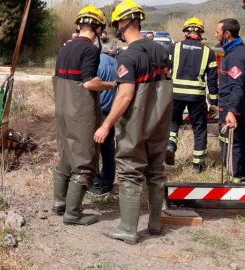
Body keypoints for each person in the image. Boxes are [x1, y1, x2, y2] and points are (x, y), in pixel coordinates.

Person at [94, 0, 172, 244]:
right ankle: (156, 224)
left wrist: (106, 125)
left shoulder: (128, 56)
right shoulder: (162, 51)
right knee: (156, 171)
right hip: (160, 122)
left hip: (135, 124)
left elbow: (126, 95)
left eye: (117, 22)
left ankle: (128, 229)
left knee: (130, 171)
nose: (116, 27)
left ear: (124, 22)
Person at [52, 5, 116, 226]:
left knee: (66, 156)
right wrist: (111, 85)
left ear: (79, 25)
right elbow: (89, 82)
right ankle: (73, 213)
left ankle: (59, 203)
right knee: (85, 162)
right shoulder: (90, 50)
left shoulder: (65, 48)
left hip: (62, 108)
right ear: (98, 28)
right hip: (80, 113)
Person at [165, 18, 218, 173]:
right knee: (199, 128)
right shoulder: (209, 52)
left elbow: (166, 72)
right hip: (196, 96)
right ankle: (197, 165)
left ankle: (170, 144)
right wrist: (214, 101)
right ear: (200, 32)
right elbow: (213, 81)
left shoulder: (174, 48)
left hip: (175, 93)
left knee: (173, 122)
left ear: (186, 31)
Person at [215, 18, 245, 183]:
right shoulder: (233, 52)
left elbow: (237, 86)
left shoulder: (235, 57)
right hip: (232, 106)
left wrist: (231, 111)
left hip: (233, 109)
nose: (215, 35)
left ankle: (235, 178)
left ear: (227, 34)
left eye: (218, 32)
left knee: (233, 142)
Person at [89, 53, 118, 196]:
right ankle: (107, 182)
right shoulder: (117, 63)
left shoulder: (95, 62)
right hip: (111, 112)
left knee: (92, 148)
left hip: (97, 111)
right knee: (108, 149)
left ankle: (94, 183)